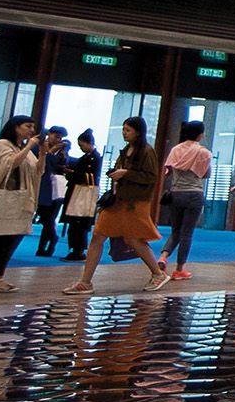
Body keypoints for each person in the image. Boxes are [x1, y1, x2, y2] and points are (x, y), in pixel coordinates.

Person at [64, 116, 165, 294]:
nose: (124, 133)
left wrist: (126, 173)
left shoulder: (146, 151)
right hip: (118, 201)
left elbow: (151, 177)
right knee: (98, 236)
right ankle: (85, 281)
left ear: (138, 132)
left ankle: (157, 273)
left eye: (128, 130)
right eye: (123, 130)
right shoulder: (126, 150)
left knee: (133, 239)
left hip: (134, 202)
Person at [0, 116, 46, 291]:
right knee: (0, 240)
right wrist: (29, 146)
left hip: (21, 202)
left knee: (11, 240)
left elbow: (38, 170)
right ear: (16, 127)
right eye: (28, 126)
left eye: (33, 127)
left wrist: (43, 153)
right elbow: (10, 164)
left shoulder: (23, 148)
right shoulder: (3, 145)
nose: (31, 130)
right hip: (5, 201)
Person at [156, 120, 213, 281]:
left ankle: (163, 257)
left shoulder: (175, 149)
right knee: (187, 233)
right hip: (194, 194)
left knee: (175, 230)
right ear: (201, 134)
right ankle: (179, 269)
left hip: (176, 194)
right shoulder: (203, 152)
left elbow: (168, 171)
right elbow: (206, 174)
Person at [60, 129, 103, 261]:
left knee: (80, 224)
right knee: (75, 224)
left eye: (82, 145)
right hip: (79, 192)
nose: (81, 148)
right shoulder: (86, 158)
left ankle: (78, 250)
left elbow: (89, 176)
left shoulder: (94, 158)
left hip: (85, 193)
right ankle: (75, 249)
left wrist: (73, 173)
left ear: (89, 143)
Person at [32, 124, 68, 257]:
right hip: (42, 187)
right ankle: (51, 239)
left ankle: (43, 247)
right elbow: (41, 164)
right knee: (45, 217)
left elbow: (61, 166)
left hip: (56, 188)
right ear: (49, 134)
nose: (58, 140)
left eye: (60, 138)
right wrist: (51, 152)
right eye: (56, 136)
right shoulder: (38, 146)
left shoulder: (61, 151)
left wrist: (63, 156)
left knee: (50, 218)